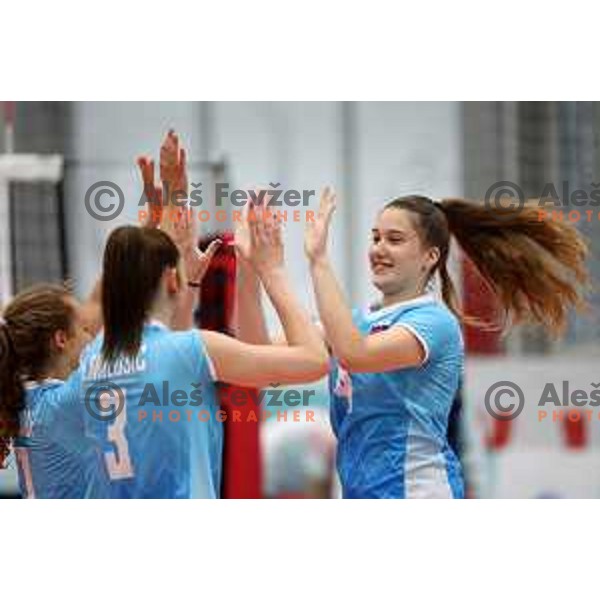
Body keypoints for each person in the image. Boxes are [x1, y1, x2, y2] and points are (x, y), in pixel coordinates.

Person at [237, 189, 589, 498]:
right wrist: (250, 269)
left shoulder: (433, 323)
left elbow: (355, 354)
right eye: (375, 238)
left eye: (394, 239)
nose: (378, 249)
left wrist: (316, 261)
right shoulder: (355, 323)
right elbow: (259, 359)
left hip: (417, 494)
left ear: (430, 257)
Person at [0, 282, 106, 498]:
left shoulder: (20, 397)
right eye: (85, 329)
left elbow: (97, 303)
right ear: (61, 339)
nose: (91, 336)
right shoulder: (63, 403)